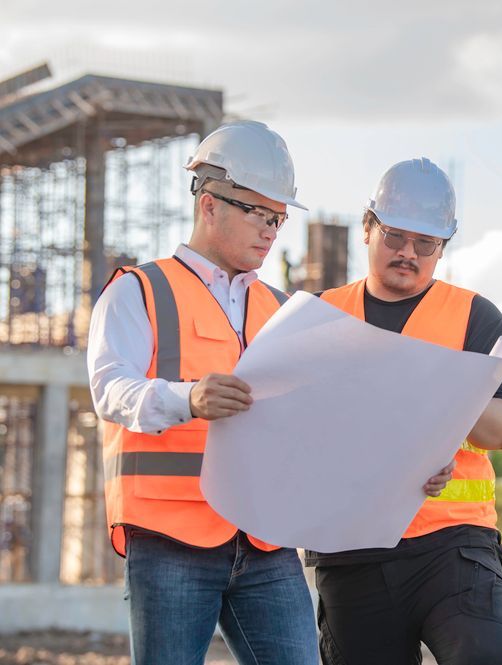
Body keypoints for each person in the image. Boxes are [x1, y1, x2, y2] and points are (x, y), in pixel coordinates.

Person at [88, 124, 453, 664]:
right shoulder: (140, 291)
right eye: (259, 214)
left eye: (278, 219)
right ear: (209, 205)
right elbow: (110, 389)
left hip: (266, 539)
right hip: (171, 538)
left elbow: (326, 423)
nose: (271, 231)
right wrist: (188, 399)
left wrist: (410, 463)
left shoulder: (284, 310)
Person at [308, 158, 502, 664]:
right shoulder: (319, 315)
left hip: (453, 546)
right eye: (395, 236)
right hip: (352, 550)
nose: (408, 252)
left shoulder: (474, 316)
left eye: (425, 243)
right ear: (368, 229)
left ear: (442, 247)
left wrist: (443, 393)